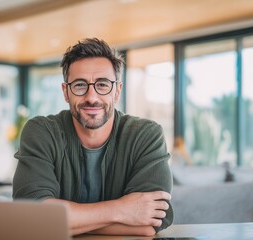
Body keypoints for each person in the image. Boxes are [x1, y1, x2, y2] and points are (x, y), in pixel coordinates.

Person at [12, 38, 173, 236]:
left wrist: (66, 220)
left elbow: (150, 225)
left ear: (117, 91)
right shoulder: (41, 131)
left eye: (102, 84)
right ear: (66, 92)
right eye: (80, 85)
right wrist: (122, 210)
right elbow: (31, 215)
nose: (91, 97)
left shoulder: (146, 135)